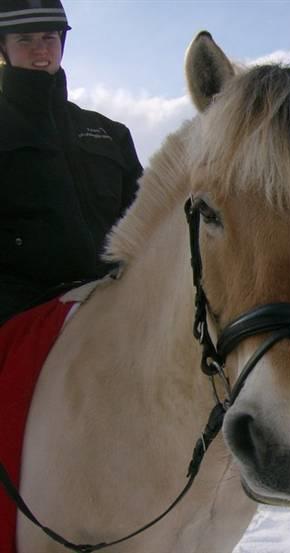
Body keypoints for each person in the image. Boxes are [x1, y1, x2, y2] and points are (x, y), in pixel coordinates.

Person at [0, 0, 142, 325]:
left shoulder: (110, 133)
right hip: (23, 317)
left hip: (118, 307)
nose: (41, 51)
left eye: (49, 38)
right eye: (24, 39)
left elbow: (146, 222)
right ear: (3, 47)